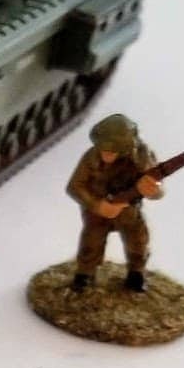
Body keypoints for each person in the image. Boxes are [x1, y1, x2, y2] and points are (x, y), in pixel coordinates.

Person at [65, 114, 165, 293]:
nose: (106, 154)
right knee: (91, 242)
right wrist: (97, 205)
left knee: (138, 242)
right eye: (103, 149)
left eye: (112, 151)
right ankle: (85, 274)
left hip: (128, 210)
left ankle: (136, 273)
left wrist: (154, 189)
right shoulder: (91, 158)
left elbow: (158, 186)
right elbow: (74, 187)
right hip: (97, 211)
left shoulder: (141, 157)